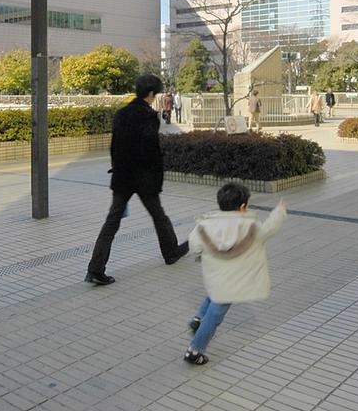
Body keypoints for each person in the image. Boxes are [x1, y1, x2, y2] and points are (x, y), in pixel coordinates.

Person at [86, 75, 189, 285]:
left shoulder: (121, 114)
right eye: (156, 93)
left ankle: (95, 269)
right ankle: (170, 252)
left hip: (122, 176)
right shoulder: (149, 116)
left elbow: (114, 146)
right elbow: (150, 150)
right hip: (143, 178)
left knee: (112, 222)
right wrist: (156, 178)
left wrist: (117, 169)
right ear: (151, 94)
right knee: (159, 216)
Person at [184, 183, 286, 365]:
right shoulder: (251, 226)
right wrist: (279, 212)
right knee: (215, 316)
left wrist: (201, 257)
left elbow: (194, 245)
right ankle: (194, 350)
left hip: (215, 276)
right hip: (234, 281)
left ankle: (198, 318)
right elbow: (269, 229)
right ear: (242, 207)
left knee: (214, 293)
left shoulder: (206, 224)